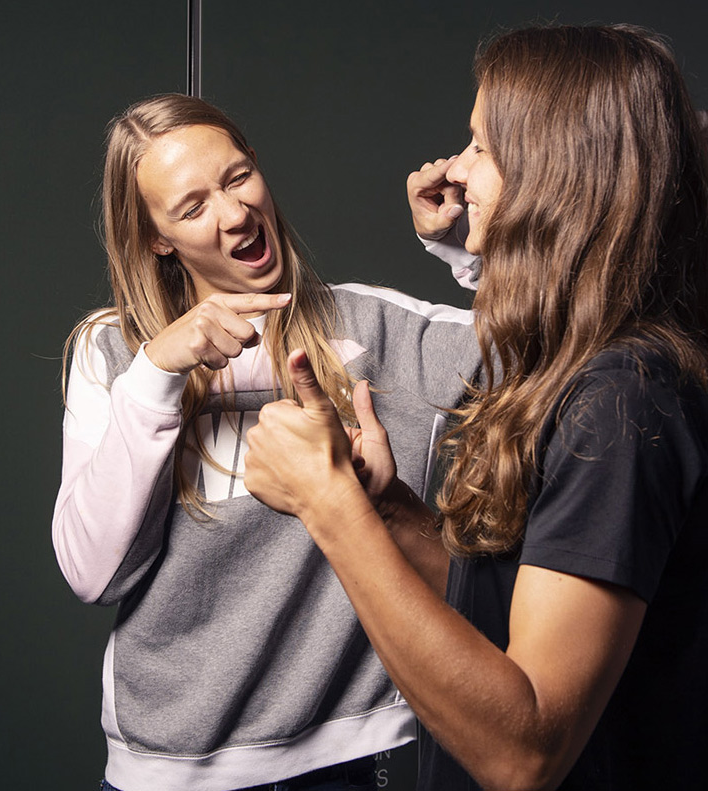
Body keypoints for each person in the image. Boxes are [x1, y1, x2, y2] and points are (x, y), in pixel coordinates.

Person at [244, 24, 708, 791]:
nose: (456, 171)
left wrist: (328, 505)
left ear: (555, 174)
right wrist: (383, 508)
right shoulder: (560, 366)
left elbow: (522, 753)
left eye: (481, 147)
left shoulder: (622, 399)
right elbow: (499, 614)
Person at [51, 93, 481, 791]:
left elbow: (559, 346)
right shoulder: (117, 353)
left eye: (236, 177)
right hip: (168, 770)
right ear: (157, 238)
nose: (233, 213)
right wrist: (159, 374)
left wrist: (468, 254)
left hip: (343, 759)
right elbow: (92, 573)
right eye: (191, 207)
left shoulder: (376, 329)